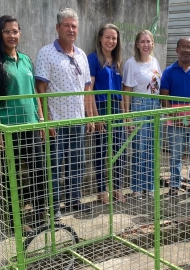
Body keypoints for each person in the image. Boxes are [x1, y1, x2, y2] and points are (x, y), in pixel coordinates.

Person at [0, 15, 49, 232]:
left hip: (31, 126)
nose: (12, 35)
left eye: (15, 31)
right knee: (12, 175)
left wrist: (41, 119)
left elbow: (35, 93)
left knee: (39, 171)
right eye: (7, 31)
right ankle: (15, 222)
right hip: (8, 129)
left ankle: (40, 213)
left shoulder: (26, 60)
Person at [35, 8, 94, 216]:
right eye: (67, 25)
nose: (71, 30)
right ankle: (53, 207)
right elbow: (40, 89)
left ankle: (73, 200)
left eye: (74, 26)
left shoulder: (81, 55)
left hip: (77, 120)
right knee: (54, 167)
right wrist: (46, 120)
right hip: (56, 123)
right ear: (57, 27)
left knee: (77, 163)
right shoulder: (46, 53)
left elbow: (87, 88)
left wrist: (89, 116)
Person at [159, 37, 190, 199]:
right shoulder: (169, 71)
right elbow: (164, 97)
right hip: (176, 120)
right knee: (176, 154)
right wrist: (172, 116)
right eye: (183, 47)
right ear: (177, 50)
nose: (186, 50)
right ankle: (174, 185)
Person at [88, 23, 126, 204]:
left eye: (114, 38)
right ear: (100, 38)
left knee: (119, 150)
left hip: (116, 108)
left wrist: (124, 115)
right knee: (101, 151)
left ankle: (117, 187)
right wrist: (96, 116)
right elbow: (91, 89)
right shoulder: (94, 59)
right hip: (101, 107)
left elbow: (121, 92)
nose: (111, 41)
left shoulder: (118, 62)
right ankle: (102, 190)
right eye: (108, 37)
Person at [122, 30, 161, 199]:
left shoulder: (155, 62)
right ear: (137, 44)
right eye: (143, 42)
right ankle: (137, 188)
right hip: (139, 106)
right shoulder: (131, 63)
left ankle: (150, 187)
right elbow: (126, 92)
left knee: (153, 149)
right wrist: (127, 117)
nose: (146, 45)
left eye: (149, 41)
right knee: (140, 149)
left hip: (155, 106)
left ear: (153, 44)